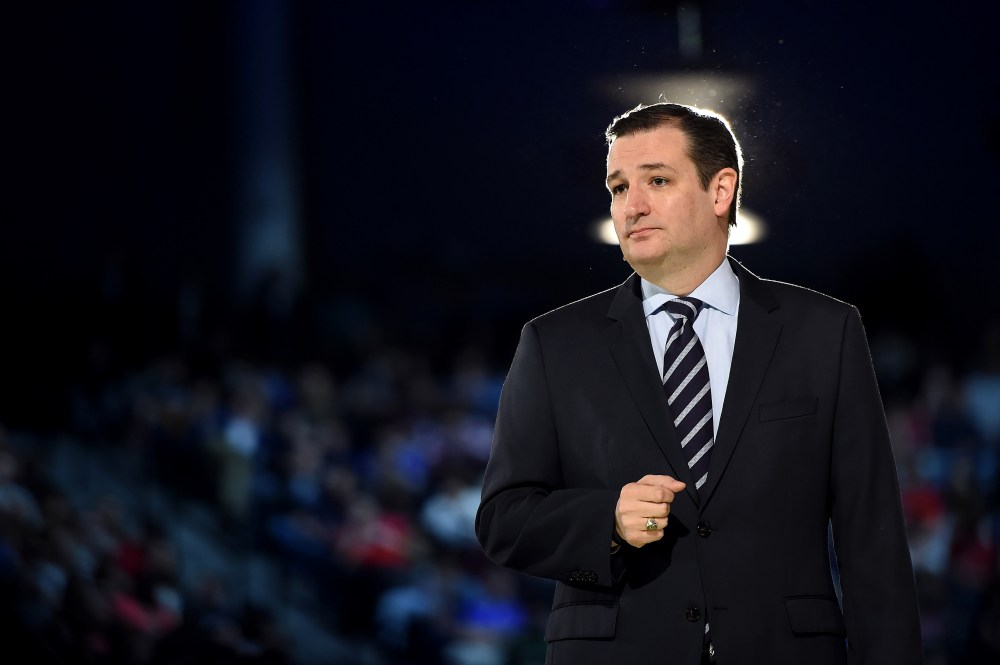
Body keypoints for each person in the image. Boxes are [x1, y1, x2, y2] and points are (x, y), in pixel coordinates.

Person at [475, 102, 923, 664]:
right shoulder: (554, 342)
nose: (631, 206)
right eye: (617, 188)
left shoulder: (825, 332)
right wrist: (607, 521)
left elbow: (872, 540)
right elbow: (503, 519)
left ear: (720, 191)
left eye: (656, 180)